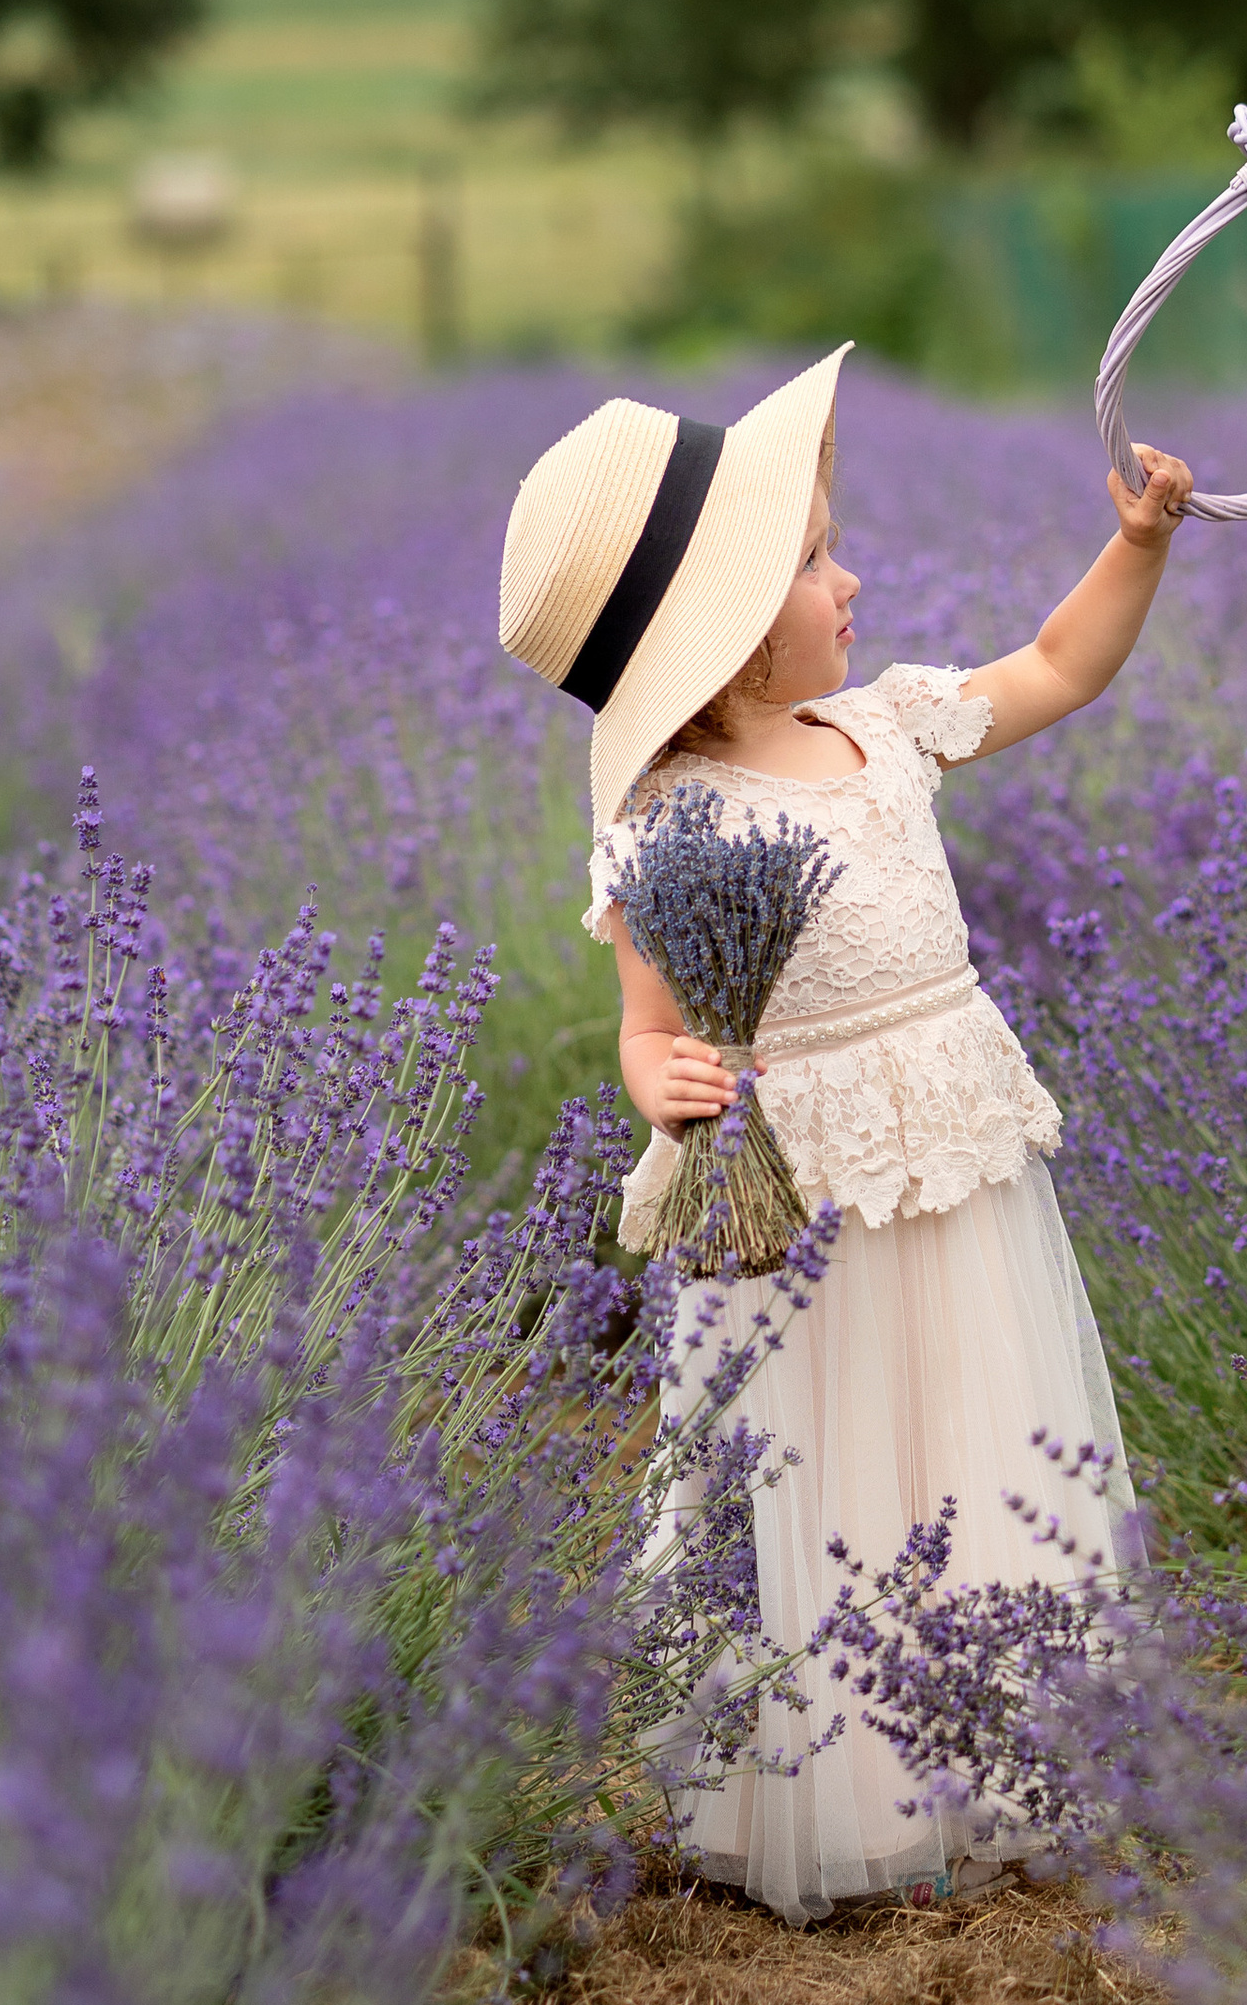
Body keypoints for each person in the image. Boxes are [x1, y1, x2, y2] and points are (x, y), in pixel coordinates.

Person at [497, 346, 1192, 1924]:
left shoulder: (885, 729)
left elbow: (1057, 668)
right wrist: (662, 1084)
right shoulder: (667, 821)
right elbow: (648, 1022)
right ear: (732, 639)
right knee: (826, 1462)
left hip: (947, 1157)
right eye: (815, 560)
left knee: (979, 1431)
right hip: (792, 1202)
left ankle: (1011, 1745)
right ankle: (848, 1778)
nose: (851, 575)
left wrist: (1136, 545)